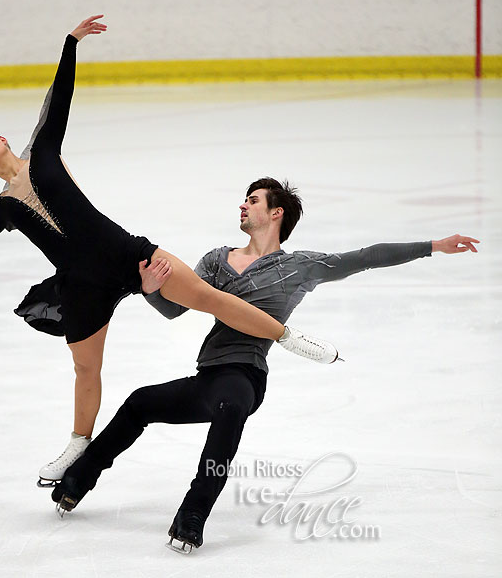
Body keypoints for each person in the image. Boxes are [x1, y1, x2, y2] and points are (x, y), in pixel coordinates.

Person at [0, 17, 336, 487]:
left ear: (1, 139)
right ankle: (78, 446)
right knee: (86, 368)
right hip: (82, 285)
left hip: (128, 254)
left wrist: (71, 44)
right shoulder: (3, 207)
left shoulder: (44, 149)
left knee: (206, 298)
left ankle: (287, 337)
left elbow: (57, 99)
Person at [50, 177, 479, 552]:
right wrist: (151, 290)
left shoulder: (301, 266)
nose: (243, 204)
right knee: (140, 402)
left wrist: (432, 247)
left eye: (252, 199)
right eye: (244, 198)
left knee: (229, 408)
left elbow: (365, 256)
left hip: (244, 378)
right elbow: (174, 311)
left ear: (276, 213)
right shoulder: (217, 261)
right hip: (209, 376)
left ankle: (192, 516)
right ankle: (75, 483)